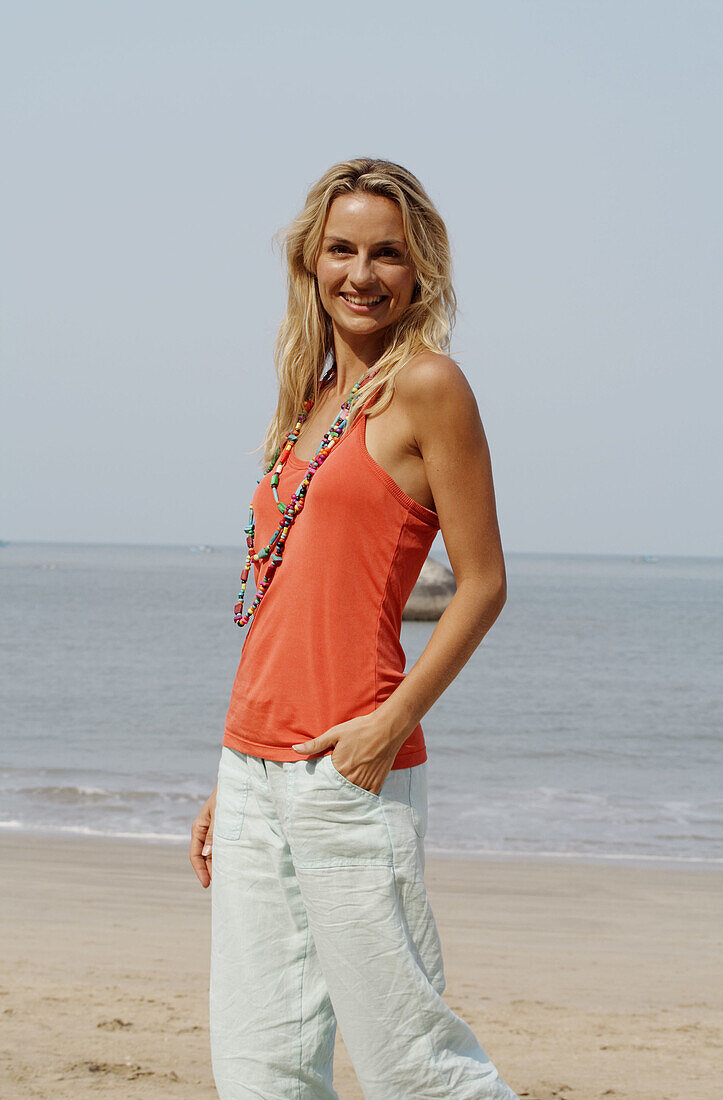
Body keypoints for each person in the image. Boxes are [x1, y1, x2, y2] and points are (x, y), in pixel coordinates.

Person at [190, 157, 519, 1100]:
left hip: (349, 770)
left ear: (419, 273)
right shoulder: (309, 403)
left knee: (412, 1064)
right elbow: (280, 601)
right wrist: (232, 770)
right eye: (341, 250)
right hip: (253, 775)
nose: (360, 274)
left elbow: (484, 584)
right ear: (310, 260)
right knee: (259, 1072)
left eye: (386, 254)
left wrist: (385, 725)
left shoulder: (428, 388)